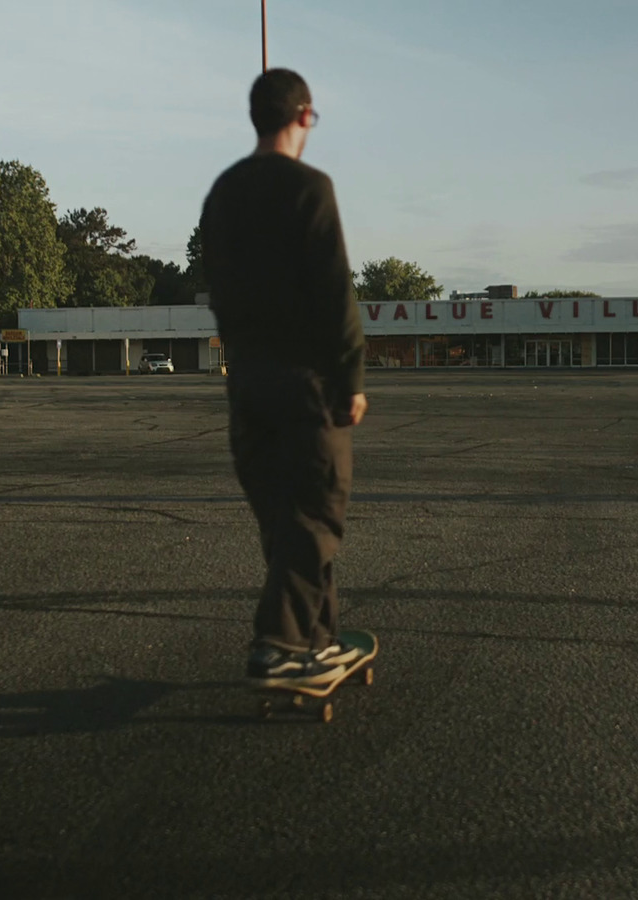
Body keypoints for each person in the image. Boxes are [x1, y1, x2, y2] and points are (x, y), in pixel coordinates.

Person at [199, 69, 368, 689]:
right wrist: (349, 376)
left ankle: (317, 640)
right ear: (304, 116)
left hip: (246, 380)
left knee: (282, 519)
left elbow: (218, 289)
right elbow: (334, 291)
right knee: (317, 514)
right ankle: (279, 645)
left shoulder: (221, 192)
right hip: (305, 384)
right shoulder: (310, 188)